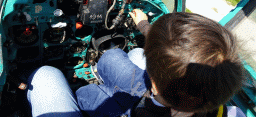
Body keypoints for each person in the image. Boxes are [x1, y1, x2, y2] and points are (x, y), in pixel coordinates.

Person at [27, 11, 246, 117]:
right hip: (148, 101)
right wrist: (143, 25)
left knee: (46, 76)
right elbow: (168, 49)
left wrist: (144, 26)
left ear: (156, 85)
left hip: (133, 109)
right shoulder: (233, 113)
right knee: (128, 55)